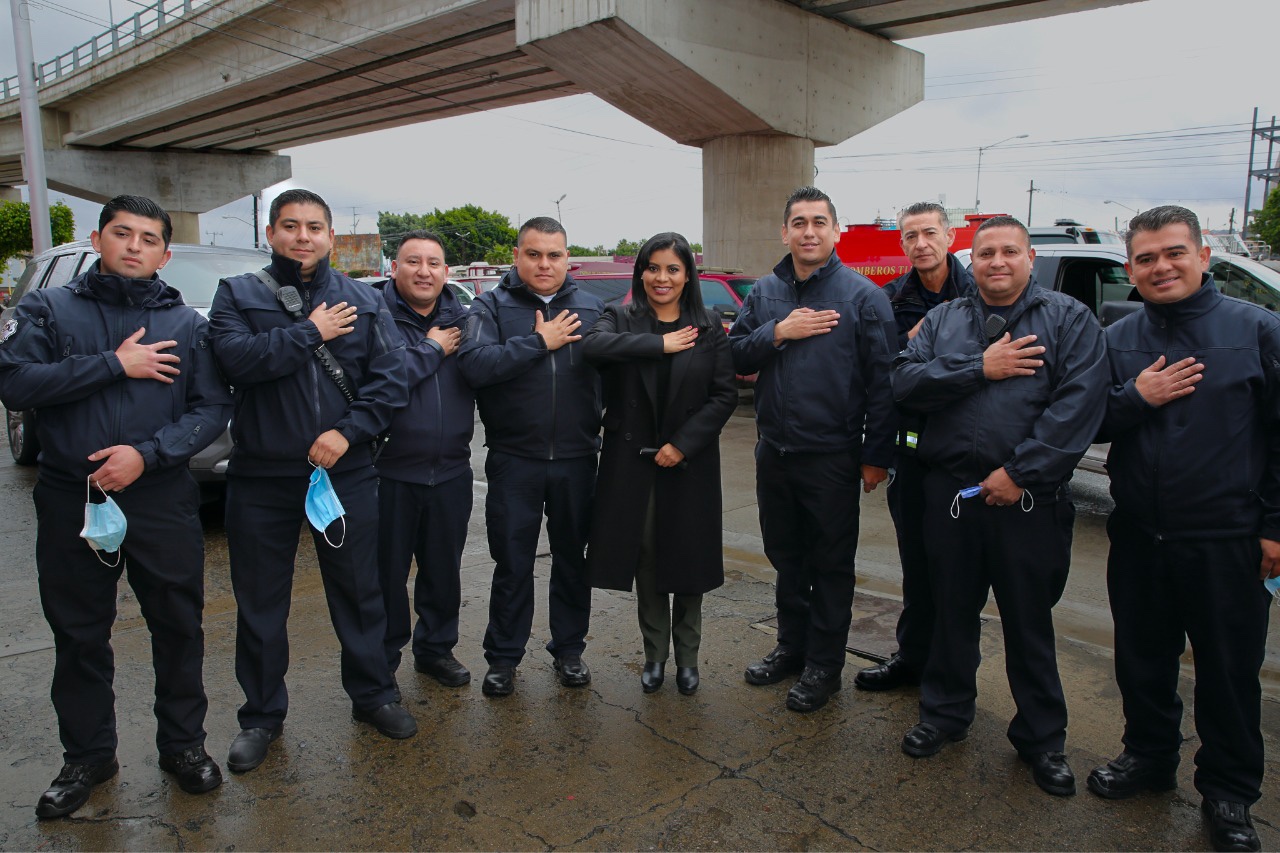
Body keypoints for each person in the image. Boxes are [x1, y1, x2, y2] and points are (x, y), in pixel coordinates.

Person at [0, 196, 232, 817]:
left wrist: (149, 456)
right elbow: (15, 383)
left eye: (148, 238)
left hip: (160, 497)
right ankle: (88, 756)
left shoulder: (186, 323)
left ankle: (183, 746)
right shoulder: (49, 309)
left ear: (165, 252)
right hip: (73, 498)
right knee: (79, 634)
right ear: (100, 240)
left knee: (178, 627)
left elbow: (211, 408)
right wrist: (114, 364)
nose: (134, 246)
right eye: (122, 234)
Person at [891, 215, 1107, 797]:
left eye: (1010, 251)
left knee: (1028, 621)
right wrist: (976, 368)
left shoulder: (1069, 319)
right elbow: (905, 385)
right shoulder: (944, 319)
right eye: (986, 252)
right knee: (950, 611)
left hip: (1028, 500)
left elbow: (1078, 407)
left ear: (1031, 258)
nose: (997, 262)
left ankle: (1041, 738)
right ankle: (944, 713)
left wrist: (1019, 473)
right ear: (973, 259)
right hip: (952, 496)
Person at [1086, 206, 1280, 852]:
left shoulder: (1257, 331)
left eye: (1173, 253)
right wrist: (1138, 395)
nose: (1160, 267)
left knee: (1228, 671)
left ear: (1202, 255)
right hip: (1140, 534)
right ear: (1130, 269)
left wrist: (1276, 525)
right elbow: (1090, 423)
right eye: (1145, 258)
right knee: (1141, 660)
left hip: (1227, 538)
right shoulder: (1119, 337)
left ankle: (1228, 790)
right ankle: (1147, 756)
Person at [208, 188, 414, 774]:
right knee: (260, 602)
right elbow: (237, 362)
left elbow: (389, 383)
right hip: (261, 478)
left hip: (344, 473)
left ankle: (373, 694)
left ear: (330, 236)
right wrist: (311, 332)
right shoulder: (238, 294)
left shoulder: (363, 300)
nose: (303, 236)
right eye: (291, 226)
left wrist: (348, 433)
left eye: (315, 227)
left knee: (359, 591)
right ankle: (261, 717)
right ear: (270, 234)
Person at [729, 186, 898, 713]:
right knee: (786, 558)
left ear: (835, 230)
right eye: (798, 222)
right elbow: (733, 353)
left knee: (829, 564)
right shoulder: (763, 293)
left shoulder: (863, 296)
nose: (809, 231)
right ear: (784, 232)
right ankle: (791, 648)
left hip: (832, 456)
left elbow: (884, 383)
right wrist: (778, 331)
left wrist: (875, 455)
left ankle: (825, 664)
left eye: (819, 222)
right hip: (773, 451)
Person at [583, 232, 737, 694]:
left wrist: (684, 444)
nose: (661, 278)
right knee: (646, 558)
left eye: (672, 268)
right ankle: (655, 656)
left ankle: (688, 659)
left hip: (687, 462)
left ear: (687, 273)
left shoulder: (709, 325)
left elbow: (724, 394)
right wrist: (660, 345)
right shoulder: (619, 316)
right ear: (641, 272)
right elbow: (592, 348)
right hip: (633, 463)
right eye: (653, 268)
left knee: (686, 560)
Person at [457, 217, 604, 697]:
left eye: (554, 255)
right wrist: (539, 342)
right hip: (514, 459)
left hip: (578, 459)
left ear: (568, 258)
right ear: (516, 257)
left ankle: (569, 650)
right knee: (513, 562)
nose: (545, 264)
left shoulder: (593, 307)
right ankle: (503, 658)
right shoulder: (490, 306)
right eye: (534, 254)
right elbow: (475, 365)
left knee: (572, 560)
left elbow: (617, 372)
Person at [855, 201, 974, 693]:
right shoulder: (890, 299)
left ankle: (949, 678)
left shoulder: (979, 294)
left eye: (930, 233)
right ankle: (912, 658)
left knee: (959, 572)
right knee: (916, 563)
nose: (921, 243)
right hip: (911, 449)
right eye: (911, 236)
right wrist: (877, 454)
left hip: (968, 453)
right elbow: (882, 377)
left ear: (949, 236)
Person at [373, 230, 475, 688]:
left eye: (433, 262)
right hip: (389, 472)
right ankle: (383, 662)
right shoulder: (373, 319)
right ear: (394, 268)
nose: (423, 271)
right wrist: (429, 348)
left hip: (451, 471)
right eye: (412, 261)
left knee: (442, 572)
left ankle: (435, 650)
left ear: (446, 272)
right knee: (386, 577)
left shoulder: (468, 321)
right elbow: (377, 381)